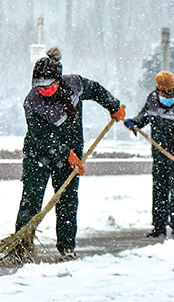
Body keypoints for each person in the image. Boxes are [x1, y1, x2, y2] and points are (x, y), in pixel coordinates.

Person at [15, 47, 125, 260]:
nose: (43, 90)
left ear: (58, 81)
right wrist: (66, 153)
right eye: (39, 86)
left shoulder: (75, 85)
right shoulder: (32, 102)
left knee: (67, 200)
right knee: (31, 200)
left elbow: (98, 91)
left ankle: (66, 247)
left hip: (71, 153)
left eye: (48, 86)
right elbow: (42, 137)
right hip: (39, 155)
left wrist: (113, 106)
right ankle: (21, 245)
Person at [124, 71, 174, 239]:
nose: (168, 96)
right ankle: (159, 226)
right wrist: (134, 122)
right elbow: (144, 116)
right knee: (159, 190)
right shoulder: (152, 100)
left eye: (172, 92)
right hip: (159, 156)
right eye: (164, 92)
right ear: (159, 90)